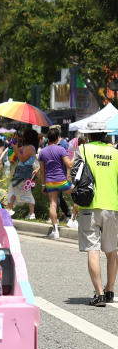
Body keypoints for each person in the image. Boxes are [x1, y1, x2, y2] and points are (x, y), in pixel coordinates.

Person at [71, 125, 118, 306]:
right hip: (112, 206)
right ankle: (110, 290)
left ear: (89, 134)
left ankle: (98, 294)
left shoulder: (83, 149)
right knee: (112, 251)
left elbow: (75, 176)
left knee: (93, 249)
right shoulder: (115, 153)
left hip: (89, 206)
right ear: (105, 135)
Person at [38, 125, 73, 240]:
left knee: (53, 204)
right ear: (58, 137)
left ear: (48, 138)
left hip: (50, 182)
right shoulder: (61, 149)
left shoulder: (42, 152)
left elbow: (42, 171)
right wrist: (76, 155)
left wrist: (43, 185)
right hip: (62, 180)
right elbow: (69, 165)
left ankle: (56, 230)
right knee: (78, 193)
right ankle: (73, 219)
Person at [7, 128, 39, 219]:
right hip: (24, 171)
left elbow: (22, 158)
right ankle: (30, 213)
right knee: (20, 190)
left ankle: (10, 209)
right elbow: (21, 152)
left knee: (15, 188)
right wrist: (16, 145)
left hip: (23, 171)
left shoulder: (30, 148)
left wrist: (15, 148)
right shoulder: (29, 147)